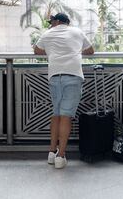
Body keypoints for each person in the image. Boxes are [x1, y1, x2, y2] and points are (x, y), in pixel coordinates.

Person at [34, 13, 94, 169]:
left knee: (57, 114)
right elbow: (90, 50)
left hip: (54, 76)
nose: (50, 24)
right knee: (66, 116)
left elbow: (37, 51)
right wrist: (75, 50)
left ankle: (51, 153)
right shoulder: (77, 32)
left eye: (51, 22)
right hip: (73, 75)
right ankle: (61, 156)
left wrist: (52, 51)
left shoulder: (47, 34)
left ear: (57, 21)